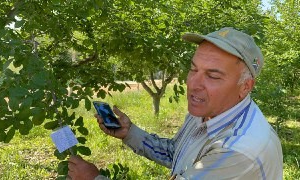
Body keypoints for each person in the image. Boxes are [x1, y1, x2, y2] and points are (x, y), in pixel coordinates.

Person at [68, 27, 283, 180]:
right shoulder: (205, 111)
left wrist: (92, 178)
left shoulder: (238, 150)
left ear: (245, 86)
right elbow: (176, 153)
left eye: (213, 76)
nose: (193, 84)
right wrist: (129, 133)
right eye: (193, 69)